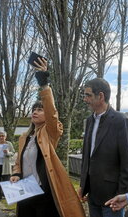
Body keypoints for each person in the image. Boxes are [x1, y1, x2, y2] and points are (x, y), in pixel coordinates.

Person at [10, 57, 85, 217]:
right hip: (24, 190)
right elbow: (18, 163)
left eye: (40, 109)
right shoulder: (24, 137)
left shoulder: (50, 132)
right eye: (34, 109)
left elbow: (52, 114)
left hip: (44, 191)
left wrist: (44, 84)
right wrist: (16, 174)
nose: (35, 112)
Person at [78, 78, 128, 217]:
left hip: (112, 197)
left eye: (88, 95)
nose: (85, 99)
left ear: (101, 96)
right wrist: (83, 186)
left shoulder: (120, 121)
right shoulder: (90, 120)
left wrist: (122, 194)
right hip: (93, 195)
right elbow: (87, 156)